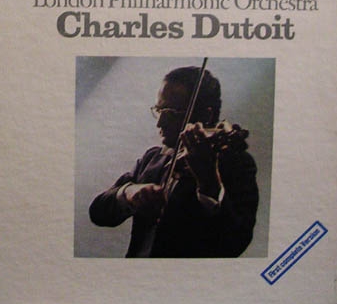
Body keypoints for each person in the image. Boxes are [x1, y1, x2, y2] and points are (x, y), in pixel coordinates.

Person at [89, 66, 258, 257]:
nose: (159, 122)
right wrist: (128, 193)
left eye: (170, 112)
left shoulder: (237, 164)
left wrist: (209, 182)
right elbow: (98, 212)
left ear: (206, 115)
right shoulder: (152, 158)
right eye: (159, 110)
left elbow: (235, 243)